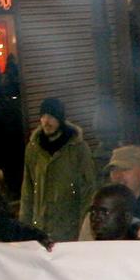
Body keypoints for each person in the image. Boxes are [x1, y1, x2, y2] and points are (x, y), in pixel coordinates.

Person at [19, 97, 96, 241]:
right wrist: (24, 227)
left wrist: (84, 228)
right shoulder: (33, 149)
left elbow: (88, 189)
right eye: (43, 116)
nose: (46, 121)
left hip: (69, 230)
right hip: (39, 230)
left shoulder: (78, 148)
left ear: (60, 119)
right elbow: (27, 190)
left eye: (52, 116)